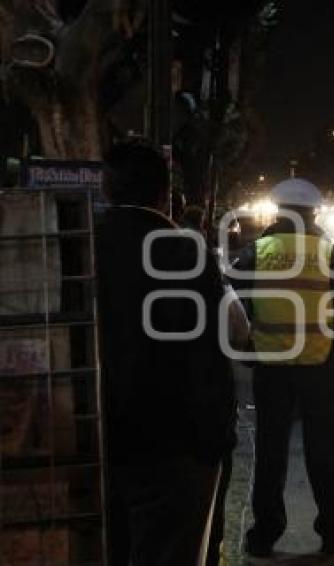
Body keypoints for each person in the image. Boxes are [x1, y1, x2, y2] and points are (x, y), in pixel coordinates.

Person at [96, 141, 236, 565]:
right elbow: (217, 342)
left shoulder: (80, 242)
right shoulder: (186, 250)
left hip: (96, 435)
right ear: (164, 192)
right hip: (175, 440)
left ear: (107, 190)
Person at [231, 178, 334, 558]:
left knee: (270, 452)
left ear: (277, 212)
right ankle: (332, 531)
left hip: (271, 367)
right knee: (323, 451)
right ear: (314, 214)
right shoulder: (328, 253)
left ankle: (264, 535)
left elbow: (233, 307)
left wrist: (246, 355)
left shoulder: (255, 252)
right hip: (318, 365)